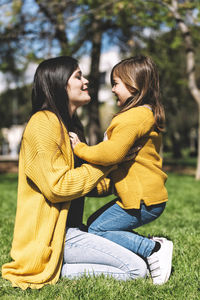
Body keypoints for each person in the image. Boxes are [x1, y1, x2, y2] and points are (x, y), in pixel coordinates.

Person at [1, 56, 148, 290]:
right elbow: (58, 187)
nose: (86, 81)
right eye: (78, 76)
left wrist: (123, 176)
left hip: (71, 232)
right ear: (59, 83)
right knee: (136, 269)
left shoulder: (68, 126)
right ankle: (55, 268)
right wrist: (107, 161)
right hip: (53, 238)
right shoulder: (43, 123)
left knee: (137, 262)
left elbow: (84, 182)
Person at [69, 55, 173, 285]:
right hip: (141, 195)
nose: (113, 89)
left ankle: (153, 248)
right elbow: (120, 165)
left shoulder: (135, 117)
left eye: (116, 83)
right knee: (96, 221)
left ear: (133, 85)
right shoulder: (141, 115)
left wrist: (81, 149)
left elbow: (112, 154)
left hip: (143, 199)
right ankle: (144, 249)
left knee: (98, 229)